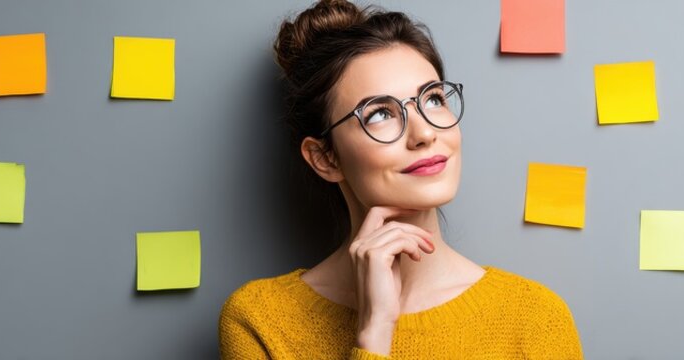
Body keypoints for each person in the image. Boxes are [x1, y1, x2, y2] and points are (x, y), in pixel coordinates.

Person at [219, 1, 583, 358]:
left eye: (433, 99)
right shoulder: (259, 321)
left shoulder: (535, 320)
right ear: (325, 158)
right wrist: (374, 331)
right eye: (379, 114)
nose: (424, 133)